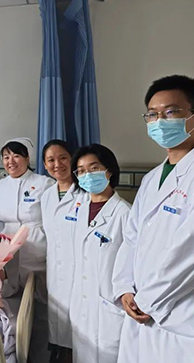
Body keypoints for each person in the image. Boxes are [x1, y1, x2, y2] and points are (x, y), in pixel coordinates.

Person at [112, 75, 194, 363]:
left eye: (170, 112)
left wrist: (148, 299)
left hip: (180, 313)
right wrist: (124, 288)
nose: (159, 121)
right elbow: (131, 238)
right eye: (152, 115)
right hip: (139, 307)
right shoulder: (151, 179)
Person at [0, 137, 54, 362]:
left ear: (27, 158)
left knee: (40, 308)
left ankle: (41, 356)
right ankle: (14, 353)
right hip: (8, 252)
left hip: (36, 251)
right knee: (12, 306)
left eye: (16, 155)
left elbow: (52, 221)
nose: (11, 161)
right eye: (6, 157)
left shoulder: (44, 184)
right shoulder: (0, 186)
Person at [69, 144, 130, 363]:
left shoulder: (124, 213)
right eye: (81, 171)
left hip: (109, 311)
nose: (87, 175)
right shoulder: (79, 210)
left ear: (109, 171)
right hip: (82, 307)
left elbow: (132, 266)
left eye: (94, 168)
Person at [40, 140, 89, 363]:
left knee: (78, 330)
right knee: (58, 326)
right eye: (51, 160)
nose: (57, 164)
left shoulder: (85, 194)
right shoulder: (46, 196)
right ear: (44, 165)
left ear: (72, 160)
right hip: (55, 271)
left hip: (80, 272)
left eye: (63, 158)